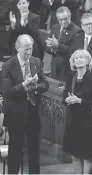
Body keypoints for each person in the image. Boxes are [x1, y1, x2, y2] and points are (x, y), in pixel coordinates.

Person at [2, 34, 49, 174]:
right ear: (17, 48)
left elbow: (45, 84)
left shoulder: (36, 61)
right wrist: (24, 84)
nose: (29, 52)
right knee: (15, 150)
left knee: (34, 150)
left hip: (33, 113)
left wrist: (35, 86)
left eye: (31, 48)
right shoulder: (8, 66)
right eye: (26, 49)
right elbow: (8, 92)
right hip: (16, 115)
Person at [63, 50, 92, 174]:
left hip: (87, 121)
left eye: (81, 57)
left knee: (87, 156)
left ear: (88, 61)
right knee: (74, 155)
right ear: (73, 62)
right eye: (76, 58)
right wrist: (67, 99)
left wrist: (80, 100)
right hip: (73, 119)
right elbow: (65, 93)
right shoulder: (70, 76)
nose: (78, 59)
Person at [44, 6, 81, 81]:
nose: (63, 22)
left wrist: (57, 46)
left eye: (65, 18)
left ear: (70, 16)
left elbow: (73, 50)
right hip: (54, 65)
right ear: (57, 20)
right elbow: (46, 47)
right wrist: (53, 48)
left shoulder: (77, 31)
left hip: (67, 67)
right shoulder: (54, 28)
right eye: (61, 20)